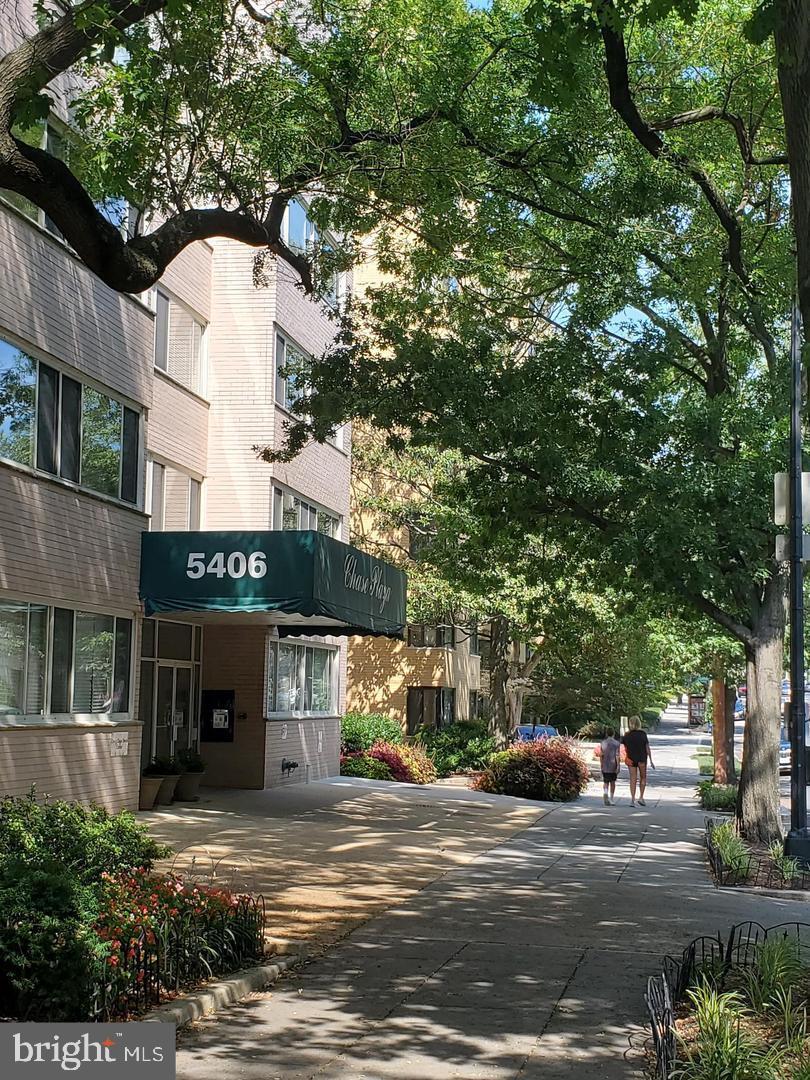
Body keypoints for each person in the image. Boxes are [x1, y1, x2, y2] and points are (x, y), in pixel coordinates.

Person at [621, 716, 654, 806]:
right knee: (643, 778)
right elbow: (647, 748)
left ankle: (632, 799)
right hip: (642, 759)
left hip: (631, 759)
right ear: (639, 723)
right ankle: (641, 797)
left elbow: (624, 747)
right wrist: (651, 760)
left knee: (633, 779)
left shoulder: (627, 735)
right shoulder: (643, 734)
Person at [596, 729, 621, 805]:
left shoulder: (603, 743)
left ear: (607, 734)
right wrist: (618, 765)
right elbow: (617, 755)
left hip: (605, 765)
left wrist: (601, 764)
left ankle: (605, 792)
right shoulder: (617, 743)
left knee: (606, 781)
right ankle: (611, 799)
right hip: (613, 765)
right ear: (613, 734)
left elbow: (601, 755)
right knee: (613, 782)